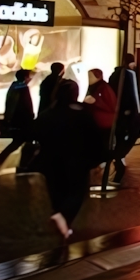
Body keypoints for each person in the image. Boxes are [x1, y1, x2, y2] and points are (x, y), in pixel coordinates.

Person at [34, 80, 97, 238]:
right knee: (76, 192)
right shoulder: (82, 113)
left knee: (57, 192)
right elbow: (94, 137)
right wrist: (96, 158)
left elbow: (33, 133)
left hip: (50, 160)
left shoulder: (48, 114)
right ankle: (63, 218)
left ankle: (62, 225)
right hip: (76, 160)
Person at [0, 69, 36, 172]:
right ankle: (22, 165)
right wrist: (30, 116)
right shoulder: (22, 88)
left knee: (18, 142)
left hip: (17, 121)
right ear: (25, 78)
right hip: (23, 121)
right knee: (20, 142)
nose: (30, 79)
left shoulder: (14, 86)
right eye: (29, 76)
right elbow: (26, 105)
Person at [106, 57, 140, 183]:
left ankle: (118, 158)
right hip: (127, 112)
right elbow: (134, 94)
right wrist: (136, 111)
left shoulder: (113, 75)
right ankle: (118, 158)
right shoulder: (129, 74)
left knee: (119, 136)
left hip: (117, 112)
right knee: (128, 136)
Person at [82, 68, 118, 178]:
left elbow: (111, 105)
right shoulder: (95, 87)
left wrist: (96, 102)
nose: (89, 79)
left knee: (103, 143)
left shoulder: (104, 88)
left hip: (103, 122)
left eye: (91, 77)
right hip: (96, 122)